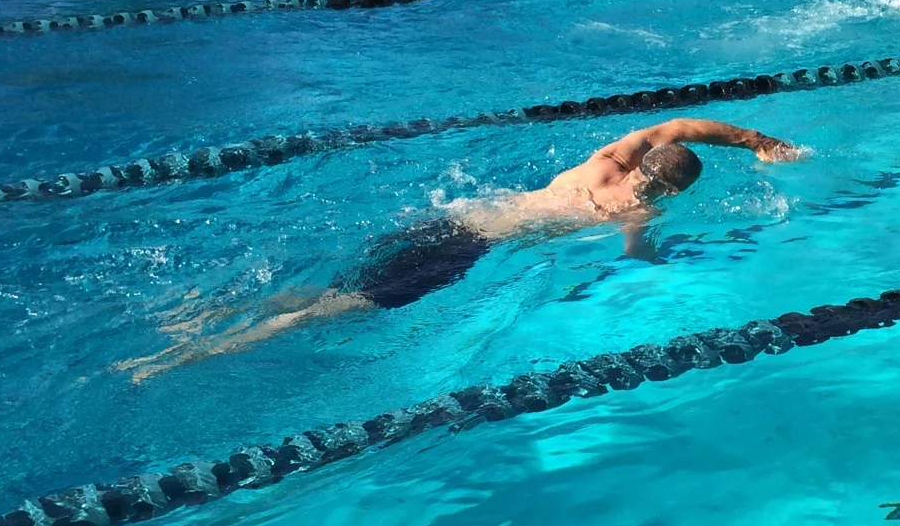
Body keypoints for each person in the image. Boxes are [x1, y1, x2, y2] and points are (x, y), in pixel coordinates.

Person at [117, 119, 803, 381]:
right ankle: (183, 357)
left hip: (445, 220)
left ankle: (203, 315)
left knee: (329, 290)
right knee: (342, 308)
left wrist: (755, 139)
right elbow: (636, 261)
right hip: (467, 250)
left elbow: (680, 124)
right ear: (676, 191)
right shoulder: (641, 211)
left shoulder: (605, 162)